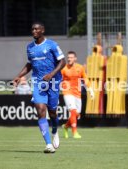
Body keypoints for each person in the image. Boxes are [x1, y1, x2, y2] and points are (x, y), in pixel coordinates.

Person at [13, 22, 66, 153]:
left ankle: (54, 131)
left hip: (53, 81)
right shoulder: (30, 47)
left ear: (43, 30)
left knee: (52, 112)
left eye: (36, 29)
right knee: (40, 109)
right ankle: (48, 144)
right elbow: (30, 64)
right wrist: (19, 76)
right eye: (32, 29)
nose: (34, 31)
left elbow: (62, 61)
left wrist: (51, 74)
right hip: (38, 82)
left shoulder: (51, 45)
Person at [61, 51, 94, 139]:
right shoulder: (63, 69)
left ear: (75, 58)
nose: (69, 59)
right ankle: (74, 132)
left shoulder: (80, 68)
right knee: (73, 111)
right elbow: (58, 80)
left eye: (71, 57)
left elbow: (85, 78)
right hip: (67, 92)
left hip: (77, 94)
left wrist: (90, 90)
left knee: (76, 115)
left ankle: (65, 126)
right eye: (68, 57)